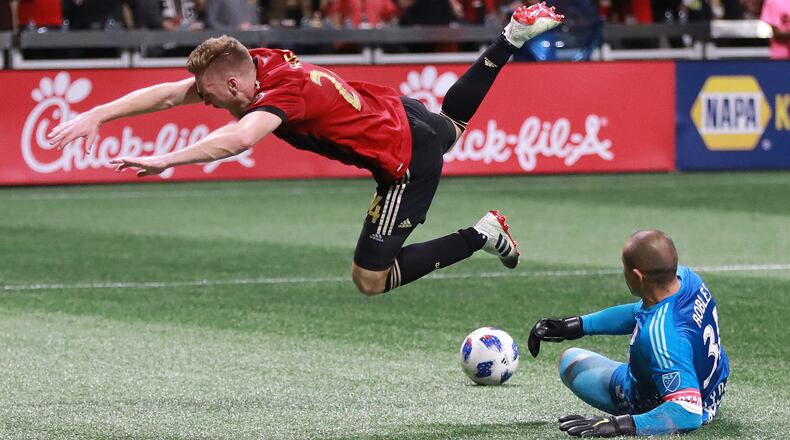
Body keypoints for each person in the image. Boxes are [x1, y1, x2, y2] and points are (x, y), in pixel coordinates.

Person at [47, 2, 563, 296]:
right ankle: (512, 37)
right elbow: (168, 94)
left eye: (205, 94)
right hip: (391, 108)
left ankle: (481, 234)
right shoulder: (258, 61)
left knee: (370, 279)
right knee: (451, 125)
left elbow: (239, 139)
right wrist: (98, 113)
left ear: (232, 87)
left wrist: (166, 159)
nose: (199, 101)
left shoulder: (276, 95)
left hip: (404, 158)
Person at [528, 230, 729, 437]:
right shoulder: (687, 279)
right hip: (712, 386)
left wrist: (620, 425)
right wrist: (577, 325)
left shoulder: (661, 337)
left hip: (667, 402)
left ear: (637, 276)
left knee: (570, 361)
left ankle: (636, 406)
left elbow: (688, 413)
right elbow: (639, 312)